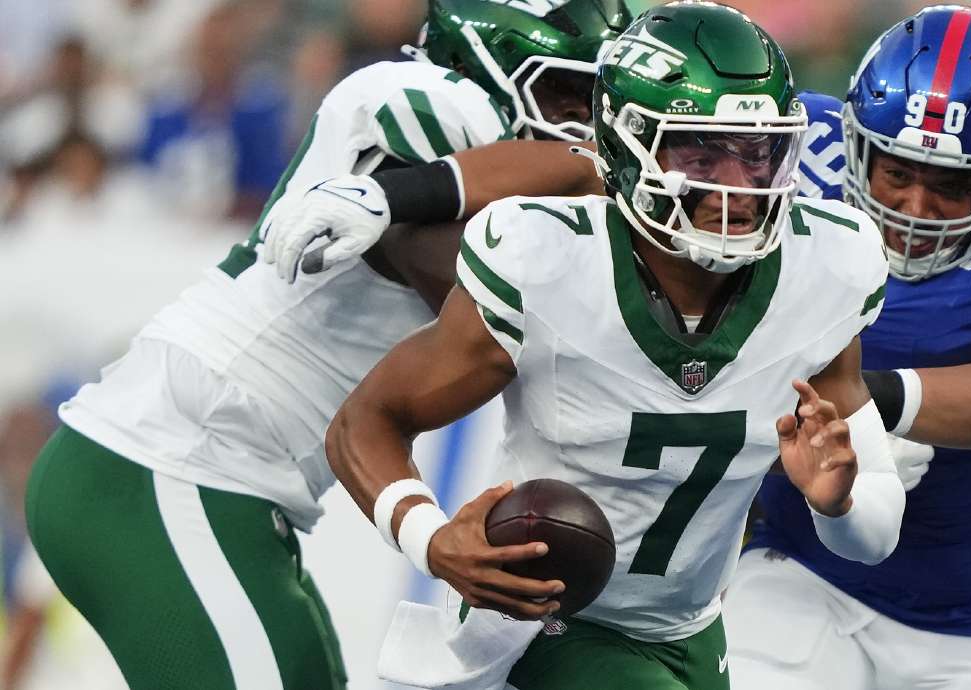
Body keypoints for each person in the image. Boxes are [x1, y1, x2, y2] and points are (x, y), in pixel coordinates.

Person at [23, 1, 630, 687]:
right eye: (566, 94)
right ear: (479, 65)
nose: (586, 120)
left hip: (231, 486)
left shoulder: (500, 152)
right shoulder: (420, 101)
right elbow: (491, 296)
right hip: (168, 468)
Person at [324, 4, 905, 690]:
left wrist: (835, 504)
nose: (737, 187)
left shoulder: (828, 267)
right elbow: (365, 420)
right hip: (542, 617)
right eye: (700, 151)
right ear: (627, 148)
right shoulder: (549, 259)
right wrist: (428, 535)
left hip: (691, 630)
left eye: (757, 153)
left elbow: (876, 534)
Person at [722, 6, 971, 690]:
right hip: (806, 574)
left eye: (951, 184)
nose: (914, 204)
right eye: (896, 171)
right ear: (853, 143)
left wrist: (865, 401)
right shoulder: (793, 149)